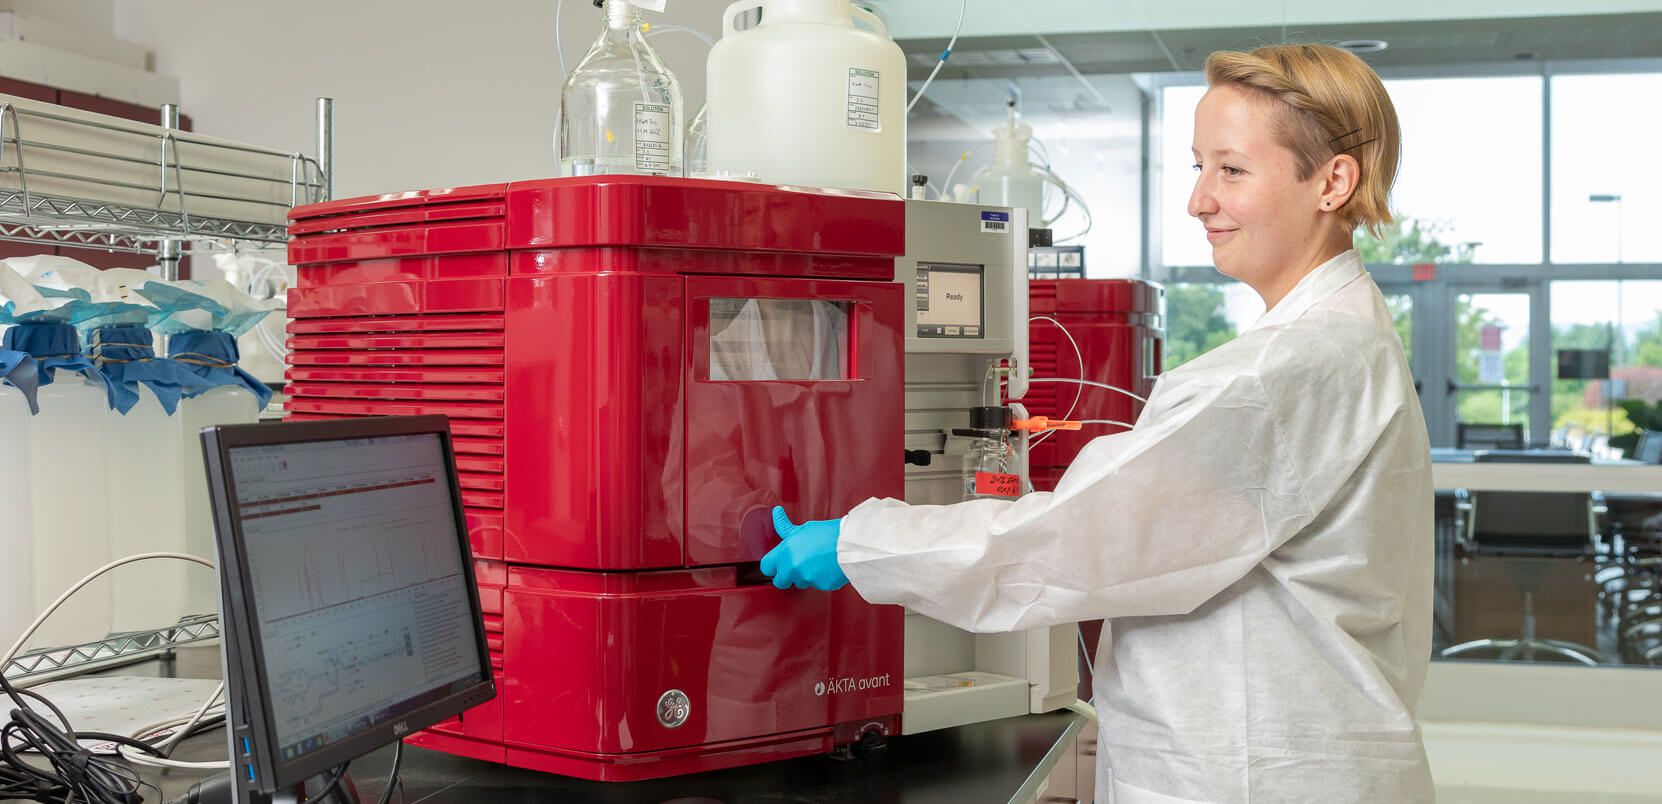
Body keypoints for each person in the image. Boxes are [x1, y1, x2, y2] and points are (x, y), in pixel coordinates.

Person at [761, 43, 1434, 803]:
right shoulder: (1347, 340)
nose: (1199, 200)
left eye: (1232, 170)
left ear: (1332, 182)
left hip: (1252, 773)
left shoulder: (1285, 371)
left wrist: (860, 542)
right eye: (1197, 167)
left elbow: (1078, 543)